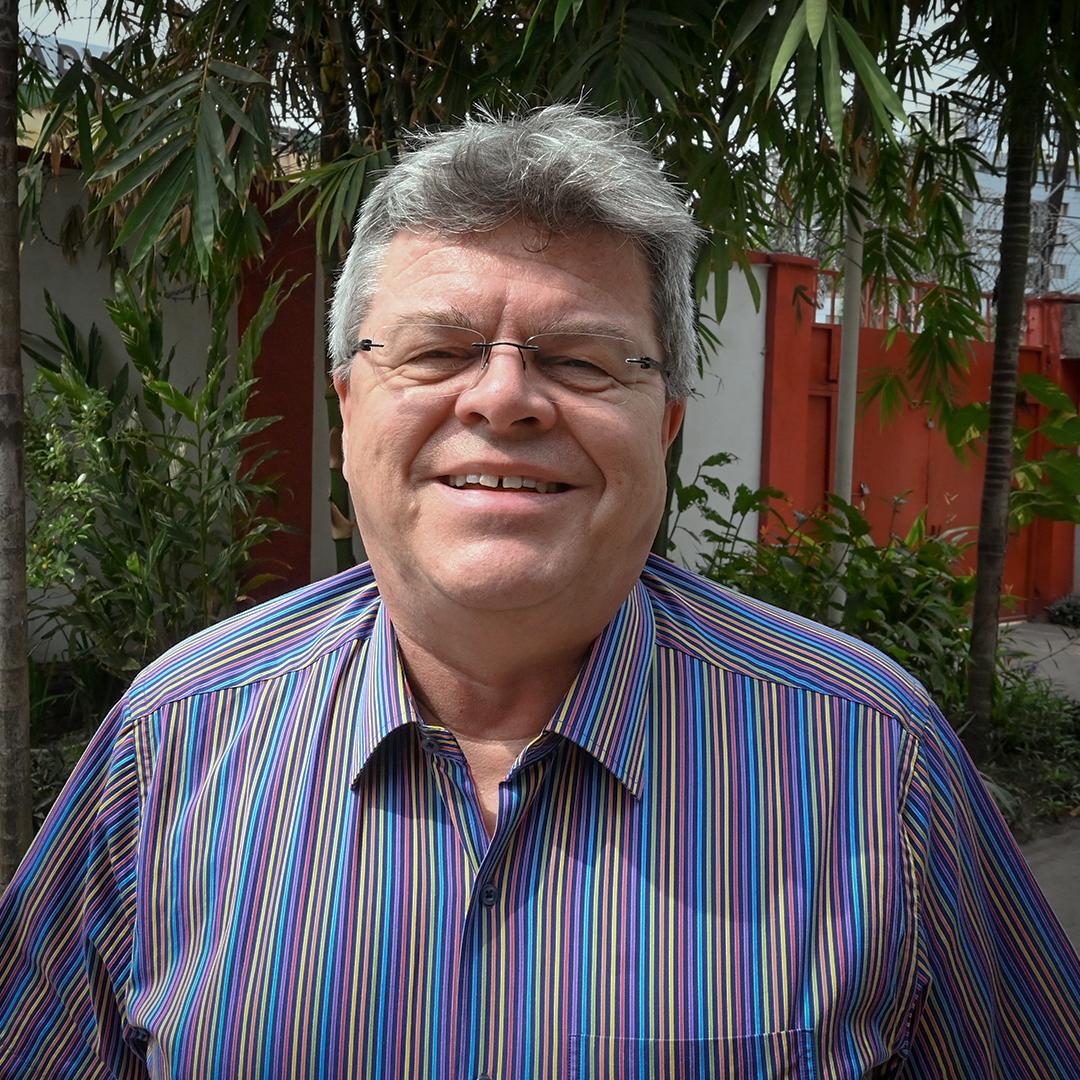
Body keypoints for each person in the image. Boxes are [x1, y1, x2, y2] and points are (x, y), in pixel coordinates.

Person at [1, 104, 1077, 1080]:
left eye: (580, 359)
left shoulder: (871, 757)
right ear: (347, 413)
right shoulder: (176, 734)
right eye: (438, 352)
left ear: (663, 427)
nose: (505, 398)